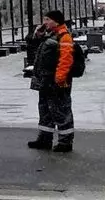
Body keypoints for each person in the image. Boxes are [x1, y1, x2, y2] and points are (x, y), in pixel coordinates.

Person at [28, 10, 76, 153]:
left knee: (60, 110)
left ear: (56, 21)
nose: (45, 22)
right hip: (46, 80)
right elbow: (31, 45)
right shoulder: (49, 35)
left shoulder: (64, 36)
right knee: (45, 110)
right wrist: (37, 35)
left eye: (47, 19)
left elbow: (66, 60)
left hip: (56, 81)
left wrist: (60, 79)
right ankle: (44, 138)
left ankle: (65, 142)